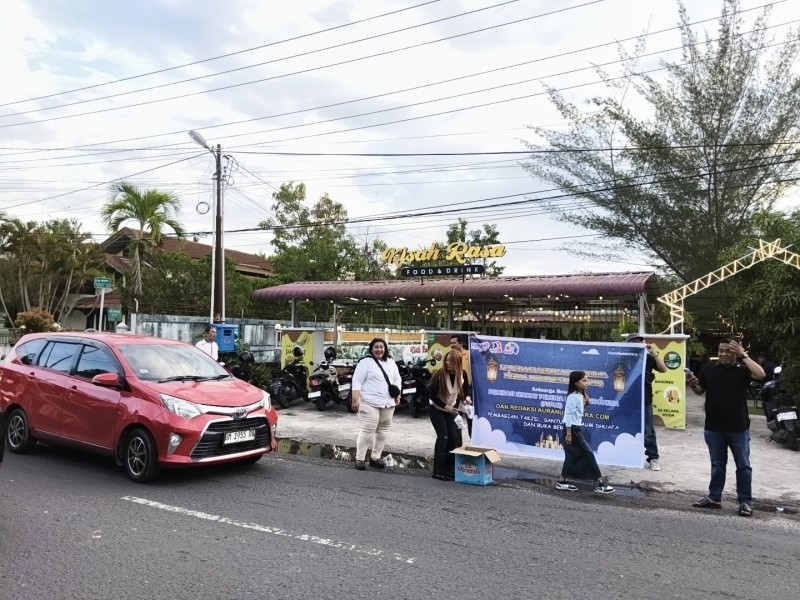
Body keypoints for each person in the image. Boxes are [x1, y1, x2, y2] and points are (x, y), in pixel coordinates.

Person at [686, 338, 765, 517]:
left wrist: (743, 355)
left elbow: (760, 375)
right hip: (713, 428)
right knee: (717, 465)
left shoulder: (743, 370)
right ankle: (714, 498)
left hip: (739, 428)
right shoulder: (709, 369)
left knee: (743, 465)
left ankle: (745, 502)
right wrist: (692, 383)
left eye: (728, 351)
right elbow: (700, 390)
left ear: (735, 353)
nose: (723, 354)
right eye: (721, 350)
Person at [555, 371, 615, 494]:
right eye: (584, 381)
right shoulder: (573, 397)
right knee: (588, 454)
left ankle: (562, 481)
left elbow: (577, 412)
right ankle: (599, 482)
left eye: (587, 380)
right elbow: (568, 415)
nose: (587, 383)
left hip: (574, 428)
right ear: (576, 382)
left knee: (571, 455)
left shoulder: (579, 395)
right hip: (572, 429)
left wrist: (585, 403)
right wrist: (569, 433)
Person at [351, 338, 402, 471]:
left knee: (383, 431)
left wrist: (398, 394)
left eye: (381, 347)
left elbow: (397, 379)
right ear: (371, 349)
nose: (379, 350)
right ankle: (360, 459)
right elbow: (357, 382)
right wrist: (355, 399)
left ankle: (375, 458)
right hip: (369, 402)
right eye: (376, 347)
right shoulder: (365, 363)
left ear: (385, 348)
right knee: (367, 430)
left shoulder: (391, 362)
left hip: (388, 403)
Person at [427, 350, 471, 481]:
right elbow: (430, 394)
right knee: (443, 436)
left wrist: (467, 397)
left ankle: (449, 468)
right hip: (436, 407)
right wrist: (445, 406)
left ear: (457, 362)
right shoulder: (439, 374)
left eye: (451, 361)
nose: (447, 363)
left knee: (453, 437)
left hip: (451, 409)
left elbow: (466, 387)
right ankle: (438, 471)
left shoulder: (461, 373)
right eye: (446, 360)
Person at [628, 334, 668, 471]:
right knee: (626, 428)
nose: (637, 344)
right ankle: (626, 456)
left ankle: (653, 458)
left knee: (648, 431)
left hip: (645, 399)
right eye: (633, 342)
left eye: (639, 342)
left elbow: (663, 369)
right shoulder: (623, 358)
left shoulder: (648, 358)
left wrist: (653, 352)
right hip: (627, 400)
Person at [449, 334, 473, 437]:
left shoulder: (469, 354)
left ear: (461, 343)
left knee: (470, 417)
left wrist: (475, 338)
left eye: (454, 342)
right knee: (457, 418)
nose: (452, 345)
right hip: (455, 391)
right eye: (451, 343)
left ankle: (473, 442)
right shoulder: (450, 355)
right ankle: (457, 445)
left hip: (468, 390)